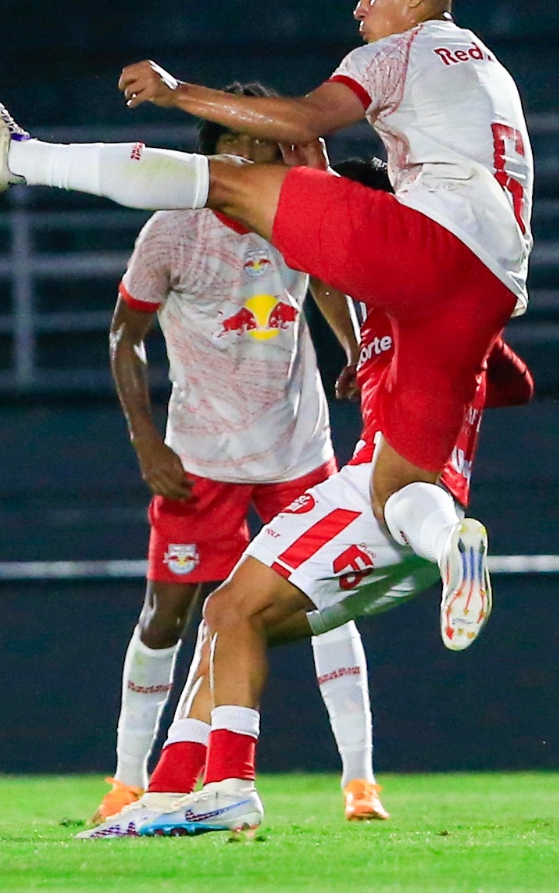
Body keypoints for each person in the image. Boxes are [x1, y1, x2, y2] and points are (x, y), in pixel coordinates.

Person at [0, 0, 532, 831]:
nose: (359, 8)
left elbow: (307, 122)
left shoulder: (402, 48)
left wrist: (176, 89)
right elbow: (510, 379)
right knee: (385, 505)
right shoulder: (488, 74)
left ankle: (21, 156)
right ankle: (212, 783)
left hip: (431, 250)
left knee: (224, 183)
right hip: (486, 290)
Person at [82, 156, 533, 837]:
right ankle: (172, 793)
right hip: (423, 532)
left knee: (229, 608)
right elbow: (516, 385)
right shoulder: (447, 298)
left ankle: (228, 787)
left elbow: (327, 240)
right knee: (234, 624)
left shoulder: (400, 281)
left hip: (377, 494)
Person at [91, 95, 388, 830]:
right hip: (202, 455)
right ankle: (129, 781)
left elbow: (322, 276)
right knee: (168, 613)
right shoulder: (171, 230)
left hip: (296, 447)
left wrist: (353, 347)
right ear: (212, 153)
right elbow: (125, 335)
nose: (256, 154)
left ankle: (360, 783)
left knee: (329, 603)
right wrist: (145, 441)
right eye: (239, 141)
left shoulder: (294, 212)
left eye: (264, 141)